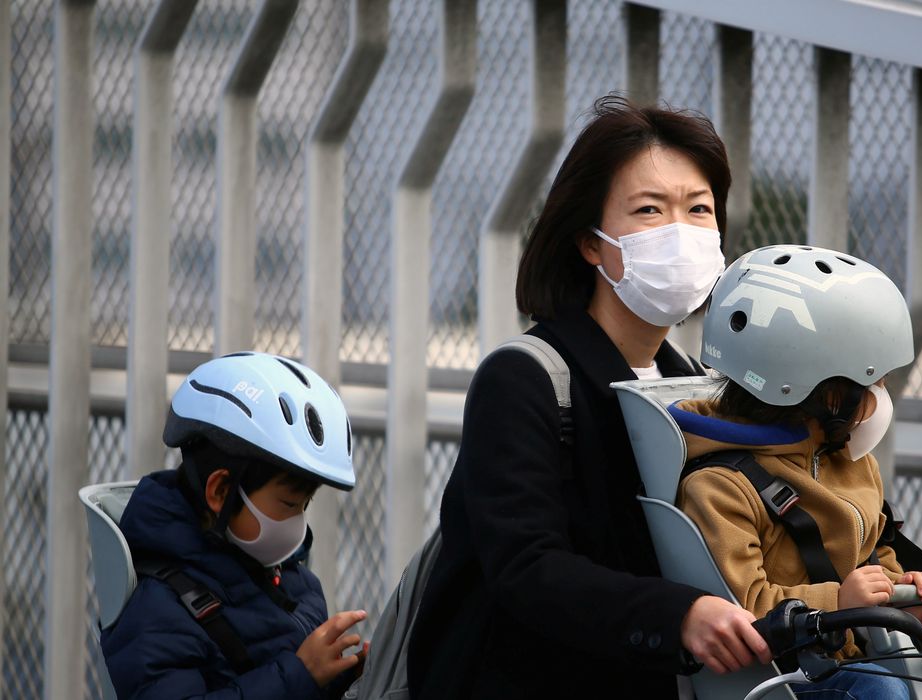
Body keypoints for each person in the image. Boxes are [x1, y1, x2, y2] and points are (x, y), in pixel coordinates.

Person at [407, 95, 772, 699]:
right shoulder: (524, 378)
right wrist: (676, 615)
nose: (680, 232)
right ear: (590, 243)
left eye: (699, 209)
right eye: (650, 210)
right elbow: (526, 566)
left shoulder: (697, 387)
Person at [674, 244, 922, 699]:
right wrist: (839, 601)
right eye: (874, 382)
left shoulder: (850, 461)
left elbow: (872, 556)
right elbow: (743, 608)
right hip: (793, 675)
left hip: (867, 655)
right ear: (830, 396)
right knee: (881, 692)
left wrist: (905, 586)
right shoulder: (719, 487)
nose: (882, 395)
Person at [102, 352, 369, 699]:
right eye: (288, 503)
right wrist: (300, 675)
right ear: (221, 491)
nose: (298, 522)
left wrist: (345, 675)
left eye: (306, 505)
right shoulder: (158, 610)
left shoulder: (293, 582)